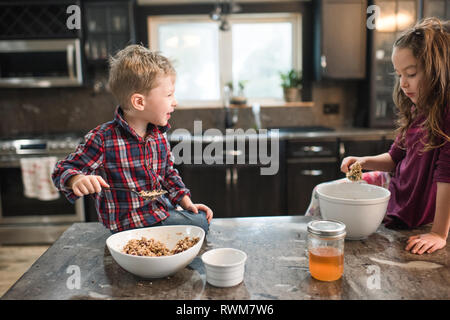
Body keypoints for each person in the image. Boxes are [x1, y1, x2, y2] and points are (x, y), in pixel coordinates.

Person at [52, 45, 213, 234]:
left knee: (201, 219)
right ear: (139, 102)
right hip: (129, 226)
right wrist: (76, 179)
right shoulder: (103, 139)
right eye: (169, 94)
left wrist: (186, 203)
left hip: (160, 212)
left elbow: (168, 175)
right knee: (200, 226)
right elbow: (61, 169)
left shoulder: (158, 136)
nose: (175, 101)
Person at [341, 18, 449, 255]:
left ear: (436, 69)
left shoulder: (446, 112)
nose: (403, 84)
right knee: (327, 195)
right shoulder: (416, 108)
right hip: (397, 187)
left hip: (420, 205)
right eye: (399, 74)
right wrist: (363, 161)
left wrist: (439, 233)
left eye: (410, 73)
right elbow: (394, 158)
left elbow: (447, 174)